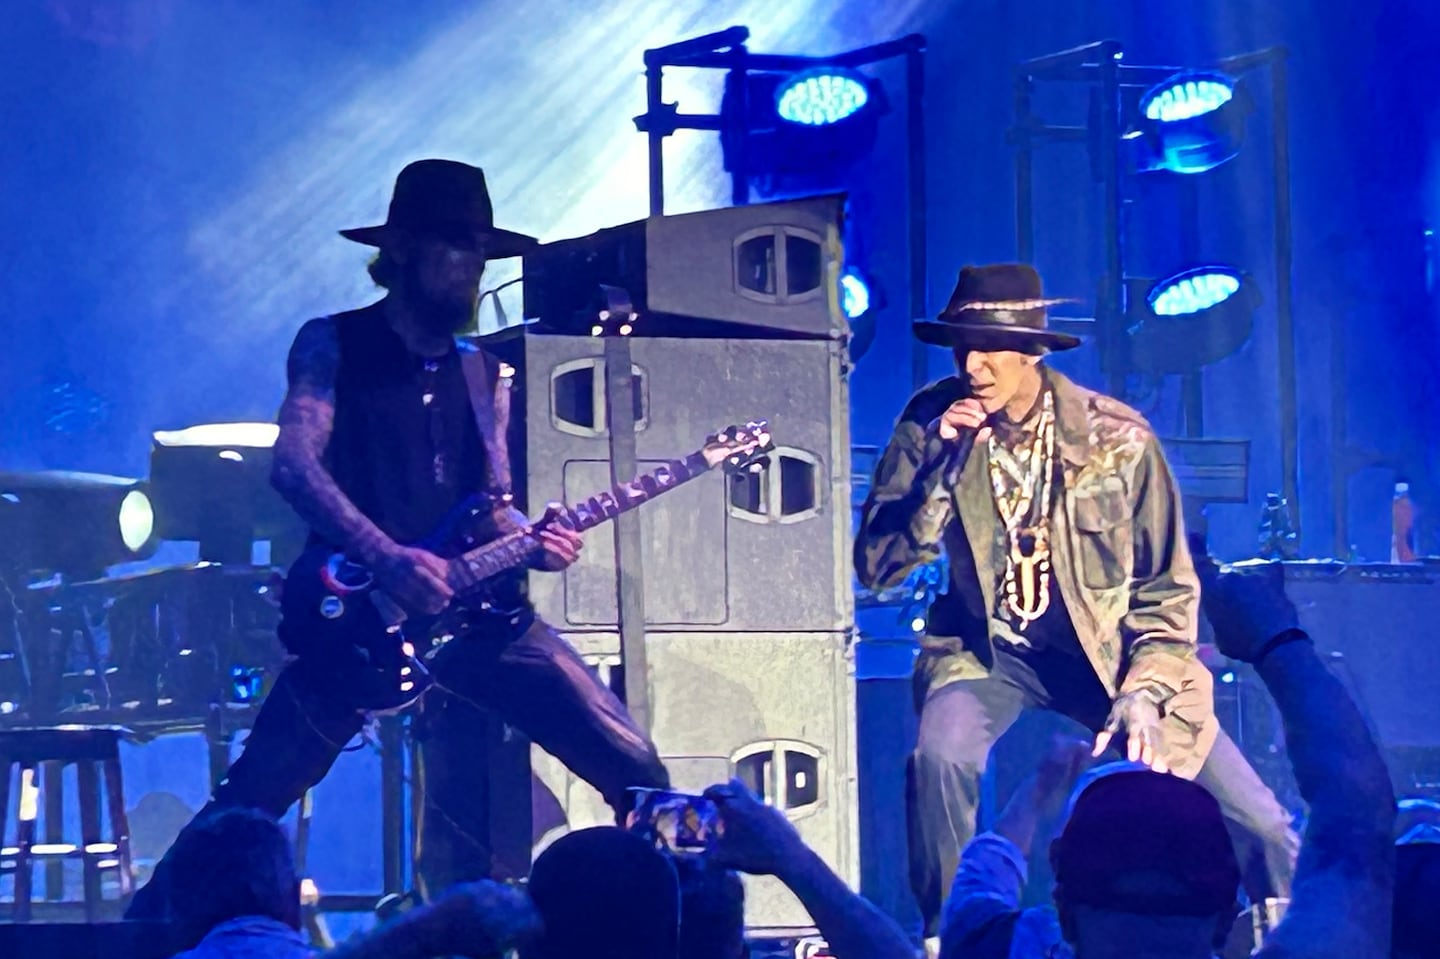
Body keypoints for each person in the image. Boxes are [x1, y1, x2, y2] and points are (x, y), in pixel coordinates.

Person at [130, 158, 669, 920]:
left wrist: (532, 538)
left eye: (482, 249)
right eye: (457, 245)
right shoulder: (333, 345)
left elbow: (494, 504)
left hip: (482, 618)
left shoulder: (487, 374)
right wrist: (386, 555)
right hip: (357, 617)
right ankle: (134, 936)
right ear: (405, 249)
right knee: (249, 805)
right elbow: (292, 463)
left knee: (640, 768)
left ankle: (667, 931)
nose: (472, 266)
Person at [854, 263, 1297, 937]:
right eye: (962, 346)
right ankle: (953, 936)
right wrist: (944, 467)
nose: (974, 364)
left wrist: (1145, 688)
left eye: (990, 348)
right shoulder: (930, 423)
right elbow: (877, 564)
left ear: (1032, 352)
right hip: (989, 652)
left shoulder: (1118, 439)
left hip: (1111, 655)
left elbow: (1167, 586)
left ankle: (1292, 935)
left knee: (1260, 820)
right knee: (939, 756)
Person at [940, 559, 1398, 959]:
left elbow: (979, 891)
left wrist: (1036, 794)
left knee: (1272, 830)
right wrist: (1276, 640)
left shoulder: (992, 946)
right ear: (1225, 917)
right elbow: (1355, 806)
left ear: (1062, 906)